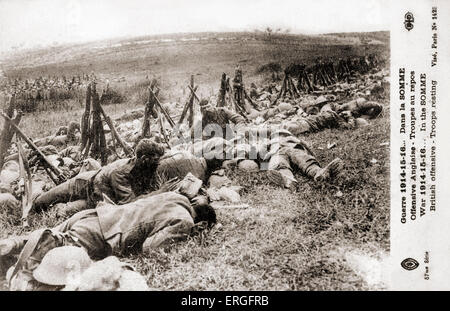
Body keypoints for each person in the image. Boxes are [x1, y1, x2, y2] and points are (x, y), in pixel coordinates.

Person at [0, 173, 216, 290]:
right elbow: (151, 247)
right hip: (101, 233)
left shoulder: (176, 197)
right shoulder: (185, 221)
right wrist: (186, 235)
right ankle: (11, 268)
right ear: (202, 224)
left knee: (47, 234)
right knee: (47, 260)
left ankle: (14, 242)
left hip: (94, 215)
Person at [31, 139, 165, 215]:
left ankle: (58, 207)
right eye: (155, 160)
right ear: (143, 158)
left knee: (65, 211)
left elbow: (151, 192)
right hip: (84, 184)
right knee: (40, 203)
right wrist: (160, 193)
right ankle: (34, 190)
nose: (158, 163)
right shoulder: (121, 173)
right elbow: (129, 203)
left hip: (98, 198)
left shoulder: (148, 168)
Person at [263, 129, 344, 188]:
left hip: (293, 150)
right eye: (277, 135)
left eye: (283, 135)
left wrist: (299, 142)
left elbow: (309, 150)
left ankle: (318, 173)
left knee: (304, 159)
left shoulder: (293, 140)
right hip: (278, 153)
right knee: (279, 163)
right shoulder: (270, 144)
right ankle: (287, 179)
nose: (281, 136)